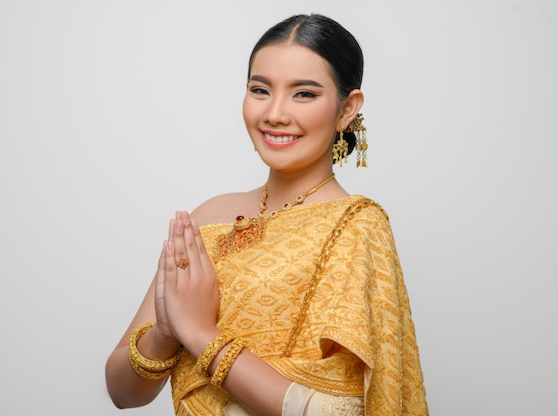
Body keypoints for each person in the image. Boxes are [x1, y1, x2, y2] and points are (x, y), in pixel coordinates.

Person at [105, 14, 428, 416]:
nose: (275, 113)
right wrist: (165, 333)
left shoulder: (356, 226)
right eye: (260, 90)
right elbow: (122, 393)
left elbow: (341, 409)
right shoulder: (208, 217)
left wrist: (201, 334)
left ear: (347, 108)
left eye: (304, 94)